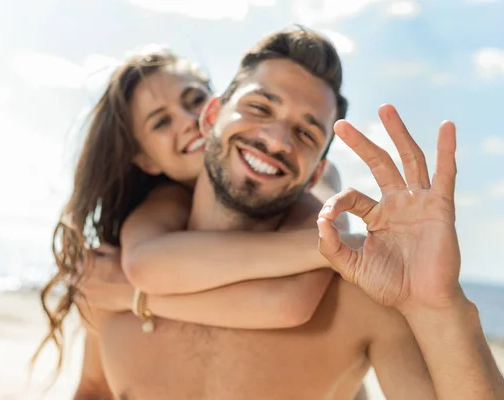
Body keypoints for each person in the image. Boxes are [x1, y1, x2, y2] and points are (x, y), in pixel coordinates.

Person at [81, 25, 504, 399]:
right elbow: (94, 391)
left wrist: (441, 306)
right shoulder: (109, 279)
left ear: (317, 173)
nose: (276, 139)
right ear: (211, 117)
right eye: (260, 107)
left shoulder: (359, 299)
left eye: (306, 132)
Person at [32, 46, 367, 398]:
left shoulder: (313, 175)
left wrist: (133, 297)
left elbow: (292, 299)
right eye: (161, 122)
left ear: (216, 107)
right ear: (145, 159)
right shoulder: (161, 206)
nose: (189, 121)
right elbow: (145, 267)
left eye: (194, 99)